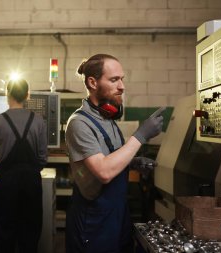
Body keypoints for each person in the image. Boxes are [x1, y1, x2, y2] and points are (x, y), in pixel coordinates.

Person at [65, 53, 165, 253]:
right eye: (114, 80)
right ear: (93, 82)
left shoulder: (108, 119)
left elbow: (110, 157)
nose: (122, 86)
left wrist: (132, 162)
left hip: (117, 214)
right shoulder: (79, 123)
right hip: (94, 220)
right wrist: (140, 135)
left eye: (122, 79)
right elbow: (103, 171)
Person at [0, 78, 47, 253]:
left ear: (7, 94)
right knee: (31, 229)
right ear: (27, 95)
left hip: (5, 182)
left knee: (5, 230)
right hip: (31, 182)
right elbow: (43, 158)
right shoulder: (39, 120)